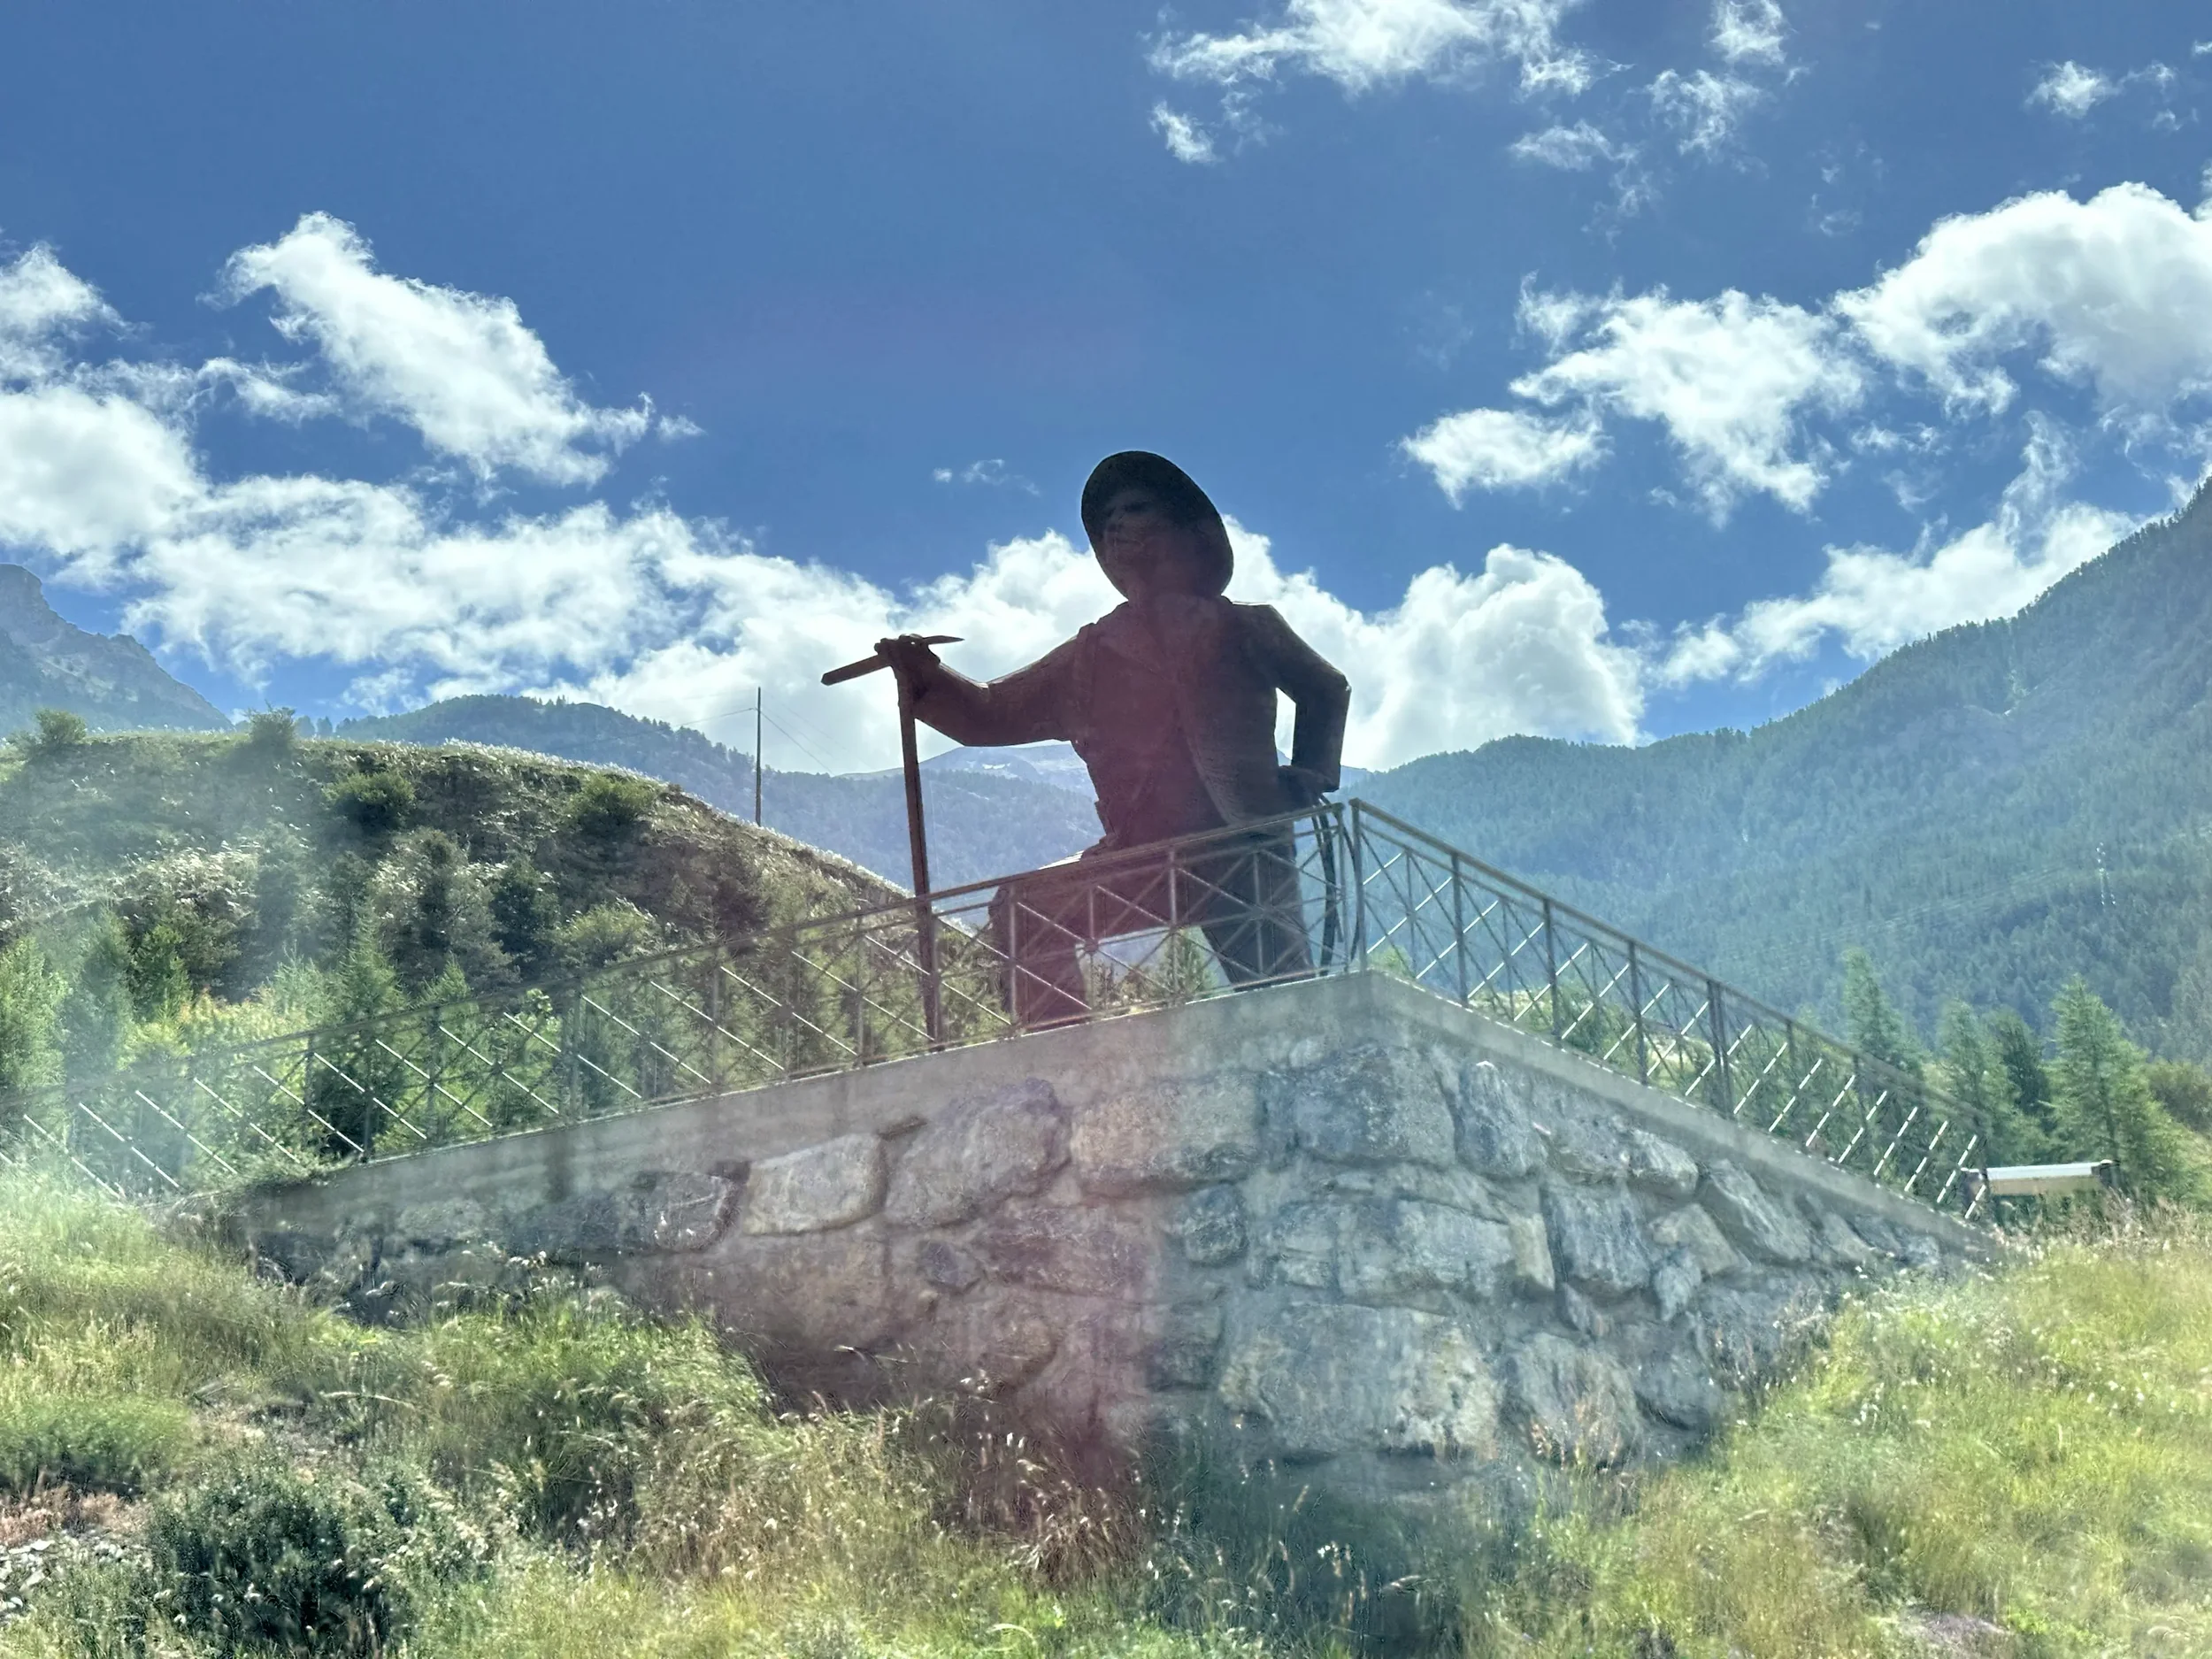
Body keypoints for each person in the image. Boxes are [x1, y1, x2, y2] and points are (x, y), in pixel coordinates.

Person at [873, 450, 1349, 1024]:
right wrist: (926, 679)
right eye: (1108, 521)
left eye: (1136, 507)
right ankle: (1067, 1052)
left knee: (1289, 1004)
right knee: (1028, 909)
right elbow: (990, 712)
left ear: (1182, 527)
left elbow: (1325, 689)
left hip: (1239, 845)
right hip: (1140, 856)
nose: (1118, 524)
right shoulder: (1091, 656)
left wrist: (1310, 771)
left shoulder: (1245, 627)